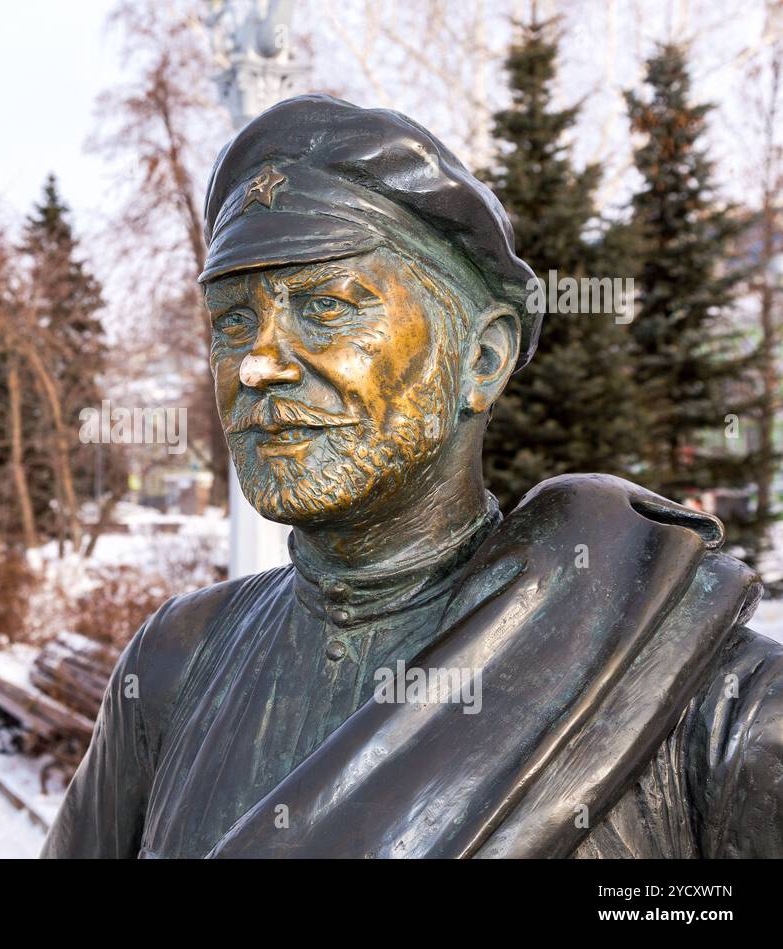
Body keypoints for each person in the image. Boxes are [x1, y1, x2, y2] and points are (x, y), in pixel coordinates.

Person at [41, 95, 783, 859]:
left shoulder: (713, 705)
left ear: (483, 358)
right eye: (232, 322)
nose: (257, 364)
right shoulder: (173, 662)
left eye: (327, 306)